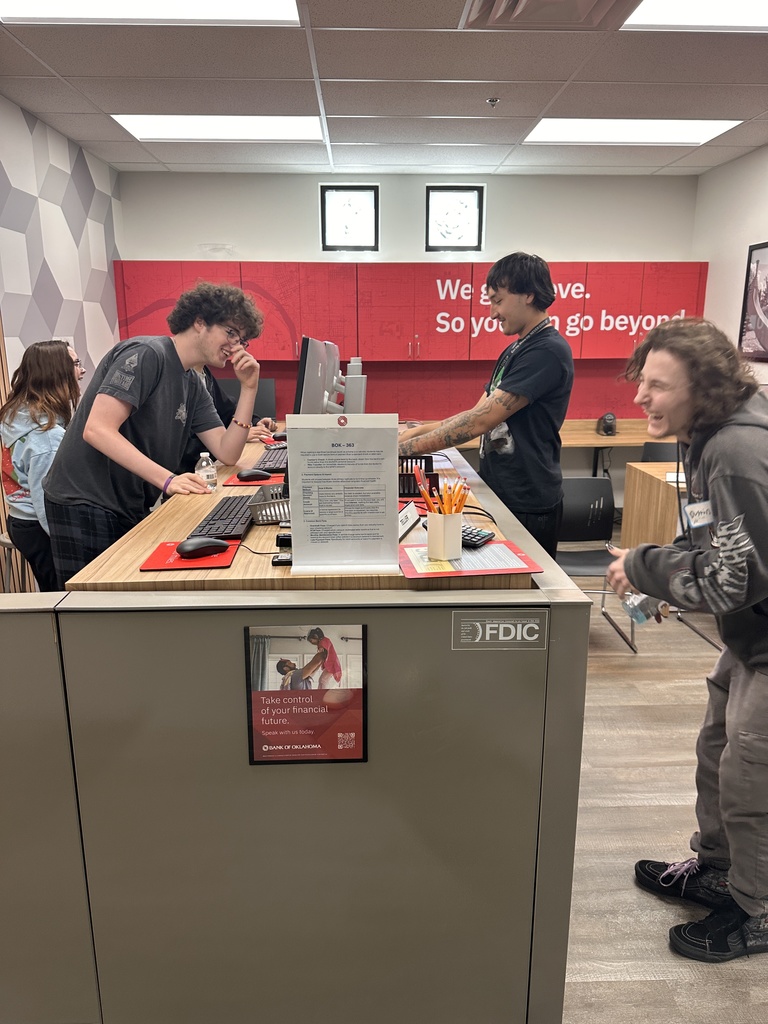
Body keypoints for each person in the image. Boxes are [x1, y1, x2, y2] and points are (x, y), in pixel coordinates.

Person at [605, 317, 768, 963]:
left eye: (658, 386)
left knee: (750, 778)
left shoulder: (735, 450)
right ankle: (721, 870)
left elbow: (732, 580)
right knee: (718, 749)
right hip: (752, 631)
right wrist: (661, 566)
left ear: (704, 388)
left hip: (761, 628)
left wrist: (644, 566)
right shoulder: (704, 436)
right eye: (641, 381)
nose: (641, 397)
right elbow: (712, 542)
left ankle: (757, 909)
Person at [43, 281, 264, 587]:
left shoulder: (192, 383)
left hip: (125, 501)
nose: (236, 346)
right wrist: (169, 480)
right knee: (90, 607)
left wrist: (249, 387)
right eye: (230, 333)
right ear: (199, 322)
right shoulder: (148, 354)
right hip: (84, 499)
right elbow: (97, 430)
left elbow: (227, 452)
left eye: (242, 340)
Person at [398, 252, 574, 556]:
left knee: (522, 594)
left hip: (527, 500)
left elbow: (480, 424)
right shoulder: (517, 349)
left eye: (498, 300)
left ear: (528, 295)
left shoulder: (545, 352)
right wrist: (413, 434)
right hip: (504, 490)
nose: (493, 313)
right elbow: (474, 414)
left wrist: (403, 451)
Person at [1, 340, 80, 591]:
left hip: (19, 519)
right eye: (76, 364)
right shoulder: (45, 436)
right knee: (62, 600)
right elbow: (47, 501)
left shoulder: (15, 415)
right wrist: (66, 543)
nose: (82, 370)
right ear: (57, 373)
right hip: (40, 527)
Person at [177, 362, 276, 475]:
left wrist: (254, 421)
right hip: (186, 475)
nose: (234, 347)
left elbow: (227, 410)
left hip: (204, 472)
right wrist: (234, 438)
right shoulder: (177, 378)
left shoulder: (204, 375)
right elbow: (186, 448)